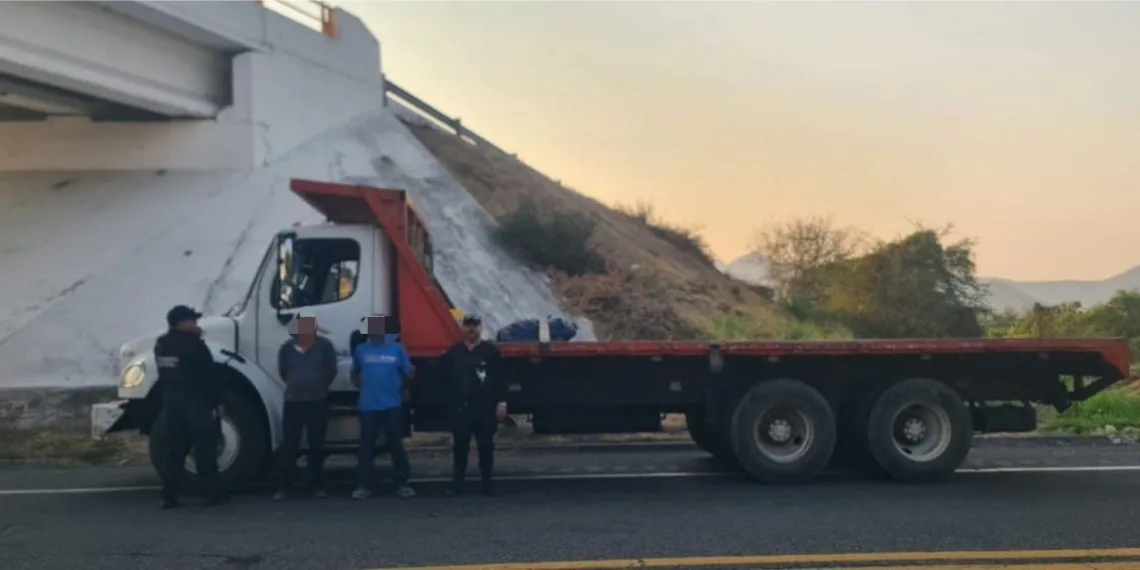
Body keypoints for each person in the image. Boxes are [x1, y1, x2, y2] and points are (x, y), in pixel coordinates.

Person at [155, 305, 228, 509]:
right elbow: (207, 376)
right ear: (181, 323)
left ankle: (169, 495)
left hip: (171, 402)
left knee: (175, 450)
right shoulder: (195, 345)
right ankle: (211, 494)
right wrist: (217, 402)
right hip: (196, 402)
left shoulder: (161, 344)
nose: (195, 324)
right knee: (205, 447)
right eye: (191, 321)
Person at [351, 314, 416, 499]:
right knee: (366, 447)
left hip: (392, 405)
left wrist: (398, 386)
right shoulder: (361, 350)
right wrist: (364, 388)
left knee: (396, 445)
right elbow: (355, 374)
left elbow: (408, 373)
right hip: (368, 406)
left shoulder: (397, 349)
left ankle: (402, 483)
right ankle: (364, 486)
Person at [442, 314, 507, 497]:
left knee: (485, 447)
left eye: (475, 325)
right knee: (460, 447)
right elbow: (443, 378)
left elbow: (500, 379)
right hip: (461, 407)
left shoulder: (491, 352)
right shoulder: (454, 353)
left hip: (484, 407)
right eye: (468, 325)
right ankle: (457, 485)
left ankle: (488, 485)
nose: (471, 329)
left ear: (480, 328)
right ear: (462, 328)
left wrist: (501, 402)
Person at [273, 315, 337, 500]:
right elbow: (283, 372)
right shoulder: (286, 348)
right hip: (293, 402)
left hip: (317, 401)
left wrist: (319, 386)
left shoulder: (325, 346)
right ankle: (285, 487)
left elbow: (331, 369)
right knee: (290, 446)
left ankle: (315, 486)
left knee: (316, 445)